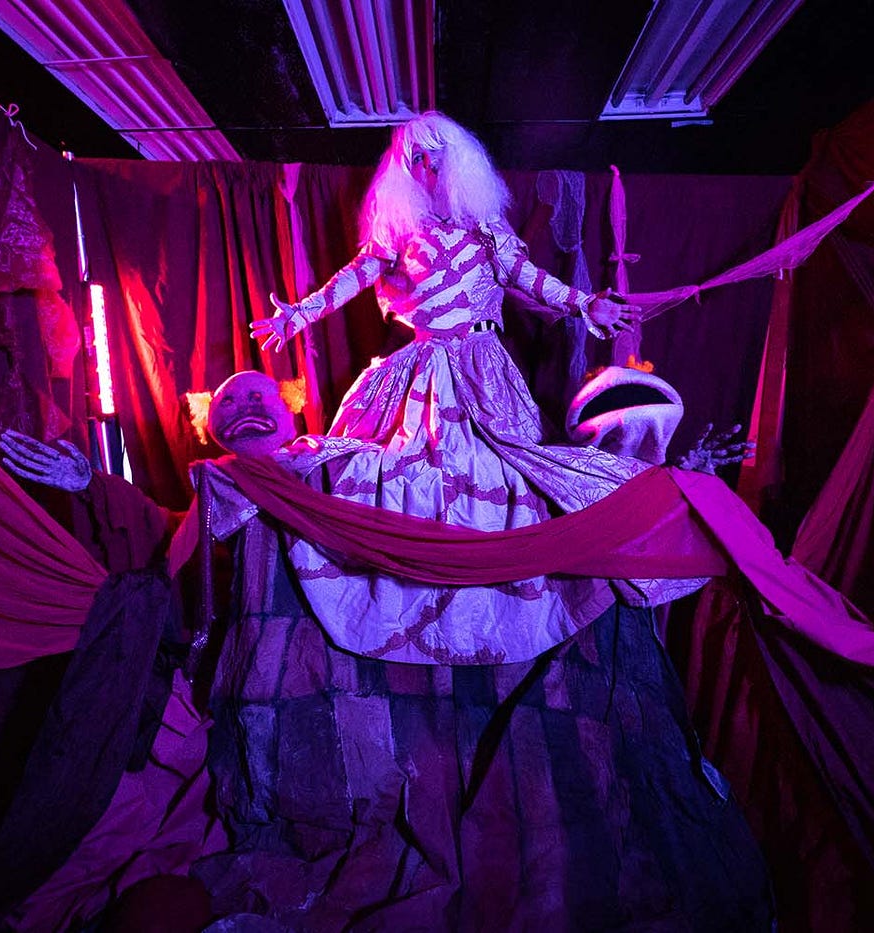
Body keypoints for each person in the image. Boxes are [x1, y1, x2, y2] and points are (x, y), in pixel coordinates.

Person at [220, 110, 712, 666]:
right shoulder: (398, 230)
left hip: (484, 370)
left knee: (510, 473)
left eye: (436, 157)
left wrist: (584, 304)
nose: (427, 167)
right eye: (416, 159)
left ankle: (501, 598)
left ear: (457, 163)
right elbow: (355, 276)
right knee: (404, 472)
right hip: (421, 371)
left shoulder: (486, 226)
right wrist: (299, 315)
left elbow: (528, 278)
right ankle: (416, 592)